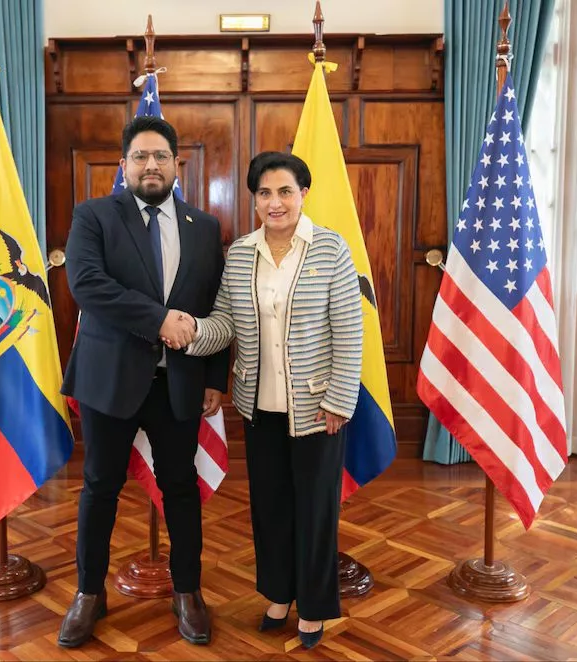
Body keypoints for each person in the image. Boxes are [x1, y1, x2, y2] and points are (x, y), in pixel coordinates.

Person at [173, 151, 363, 649]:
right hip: (258, 407)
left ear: (304, 194)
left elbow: (349, 330)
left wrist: (340, 399)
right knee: (270, 507)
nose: (275, 202)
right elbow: (225, 322)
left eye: (285, 191)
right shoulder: (240, 253)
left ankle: (314, 607)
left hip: (318, 408)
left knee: (316, 511)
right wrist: (189, 331)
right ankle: (279, 595)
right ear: (254, 199)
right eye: (264, 193)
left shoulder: (331, 248)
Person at [58, 116, 229, 648]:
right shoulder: (93, 216)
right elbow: (88, 285)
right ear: (124, 165)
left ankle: (188, 591)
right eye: (140, 156)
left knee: (180, 488)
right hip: (109, 380)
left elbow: (217, 305)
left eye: (160, 156)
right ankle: (89, 593)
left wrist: (215, 378)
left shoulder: (205, 227)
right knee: (100, 487)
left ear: (177, 164)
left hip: (179, 382)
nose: (150, 165)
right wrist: (158, 320)